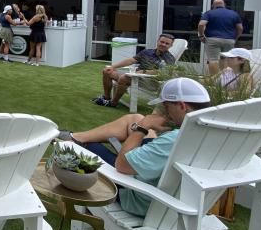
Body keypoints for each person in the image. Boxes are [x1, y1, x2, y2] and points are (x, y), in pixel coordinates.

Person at [58, 78, 211, 216]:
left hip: (140, 196)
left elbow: (122, 165)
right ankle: (76, 136)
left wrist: (143, 127)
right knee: (136, 118)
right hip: (181, 196)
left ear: (182, 106)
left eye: (166, 105)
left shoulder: (175, 139)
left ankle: (75, 141)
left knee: (86, 147)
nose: (166, 112)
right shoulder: (210, 133)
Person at [93, 33, 175, 107]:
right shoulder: (147, 52)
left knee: (124, 78)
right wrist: (113, 67)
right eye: (162, 42)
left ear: (171, 46)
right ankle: (106, 97)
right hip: (135, 77)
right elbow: (131, 60)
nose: (163, 44)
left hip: (150, 82)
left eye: (167, 43)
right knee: (107, 71)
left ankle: (113, 102)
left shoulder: (169, 59)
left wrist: (144, 72)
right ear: (158, 41)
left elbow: (164, 73)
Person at [198, 0, 243, 75]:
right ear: (224, 5)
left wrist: (201, 35)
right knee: (226, 59)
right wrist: (235, 38)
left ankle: (214, 80)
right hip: (229, 40)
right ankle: (225, 79)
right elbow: (240, 28)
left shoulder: (209, 13)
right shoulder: (233, 14)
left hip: (213, 39)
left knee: (213, 60)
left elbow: (201, 24)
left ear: (213, 5)